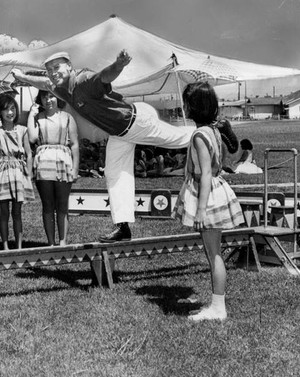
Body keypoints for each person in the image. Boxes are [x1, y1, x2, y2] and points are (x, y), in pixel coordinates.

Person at [12, 51, 193, 243]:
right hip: (119, 134)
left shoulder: (84, 81)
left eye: (57, 67)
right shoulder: (61, 88)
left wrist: (119, 64)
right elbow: (44, 83)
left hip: (136, 122)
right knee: (114, 175)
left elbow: (104, 76)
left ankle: (209, 130)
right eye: (49, 70)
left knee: (179, 140)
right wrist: (22, 77)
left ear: (69, 67)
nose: (52, 73)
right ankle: (123, 227)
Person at [172, 82, 244, 321]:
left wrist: (201, 210)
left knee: (214, 253)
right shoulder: (213, 130)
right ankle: (216, 304)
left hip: (209, 195)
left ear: (193, 107)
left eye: (186, 103)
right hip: (216, 189)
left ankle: (217, 307)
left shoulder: (200, 136)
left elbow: (204, 174)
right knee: (213, 251)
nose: (183, 107)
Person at [27, 90, 79, 246]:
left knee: (62, 205)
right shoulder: (37, 118)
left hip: (63, 162)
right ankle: (50, 243)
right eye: (44, 97)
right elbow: (32, 138)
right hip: (43, 163)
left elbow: (75, 145)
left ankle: (62, 242)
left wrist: (75, 168)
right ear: (40, 100)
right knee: (48, 205)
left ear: (58, 97)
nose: (48, 100)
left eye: (51, 96)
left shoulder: (67, 118)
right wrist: (31, 115)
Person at [0, 94, 34, 250]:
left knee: (17, 212)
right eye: (6, 109)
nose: (10, 113)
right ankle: (5, 246)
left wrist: (30, 173)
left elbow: (29, 152)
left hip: (19, 171)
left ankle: (19, 247)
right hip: (3, 171)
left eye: (13, 108)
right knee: (4, 211)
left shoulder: (22, 130)